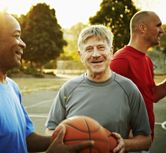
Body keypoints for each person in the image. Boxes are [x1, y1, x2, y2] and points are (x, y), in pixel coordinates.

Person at [0, 9, 94, 153]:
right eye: (16, 36)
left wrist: (71, 138)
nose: (23, 44)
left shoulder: (10, 86)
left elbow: (24, 139)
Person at [45, 25, 152, 153]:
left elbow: (146, 139)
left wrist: (125, 144)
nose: (95, 54)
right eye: (89, 49)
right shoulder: (68, 89)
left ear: (111, 51)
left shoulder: (129, 88)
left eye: (101, 47)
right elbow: (50, 129)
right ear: (81, 55)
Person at [110, 11, 166, 140]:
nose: (162, 31)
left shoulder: (146, 60)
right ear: (142, 28)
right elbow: (105, 102)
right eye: (158, 25)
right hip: (128, 143)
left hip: (143, 140)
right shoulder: (121, 61)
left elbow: (152, 95)